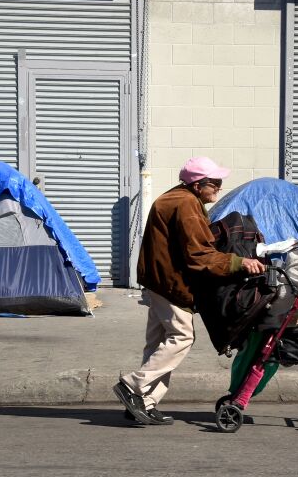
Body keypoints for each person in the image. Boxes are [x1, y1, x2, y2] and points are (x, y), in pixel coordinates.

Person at [113, 156, 265, 425]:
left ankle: (143, 403)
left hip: (158, 279)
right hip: (170, 283)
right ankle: (133, 386)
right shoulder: (186, 205)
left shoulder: (177, 198)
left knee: (158, 342)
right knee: (182, 337)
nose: (218, 188)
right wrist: (240, 262)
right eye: (214, 183)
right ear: (198, 185)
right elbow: (200, 255)